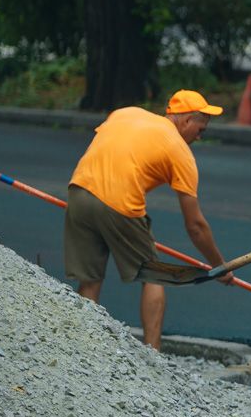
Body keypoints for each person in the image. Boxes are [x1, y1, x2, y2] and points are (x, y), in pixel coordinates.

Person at [65, 90, 234, 350]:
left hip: (78, 192)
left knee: (89, 279)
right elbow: (196, 226)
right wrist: (219, 265)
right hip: (120, 205)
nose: (200, 137)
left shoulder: (126, 112)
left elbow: (109, 148)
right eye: (201, 130)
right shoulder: (180, 151)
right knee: (154, 275)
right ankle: (152, 355)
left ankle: (81, 350)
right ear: (186, 121)